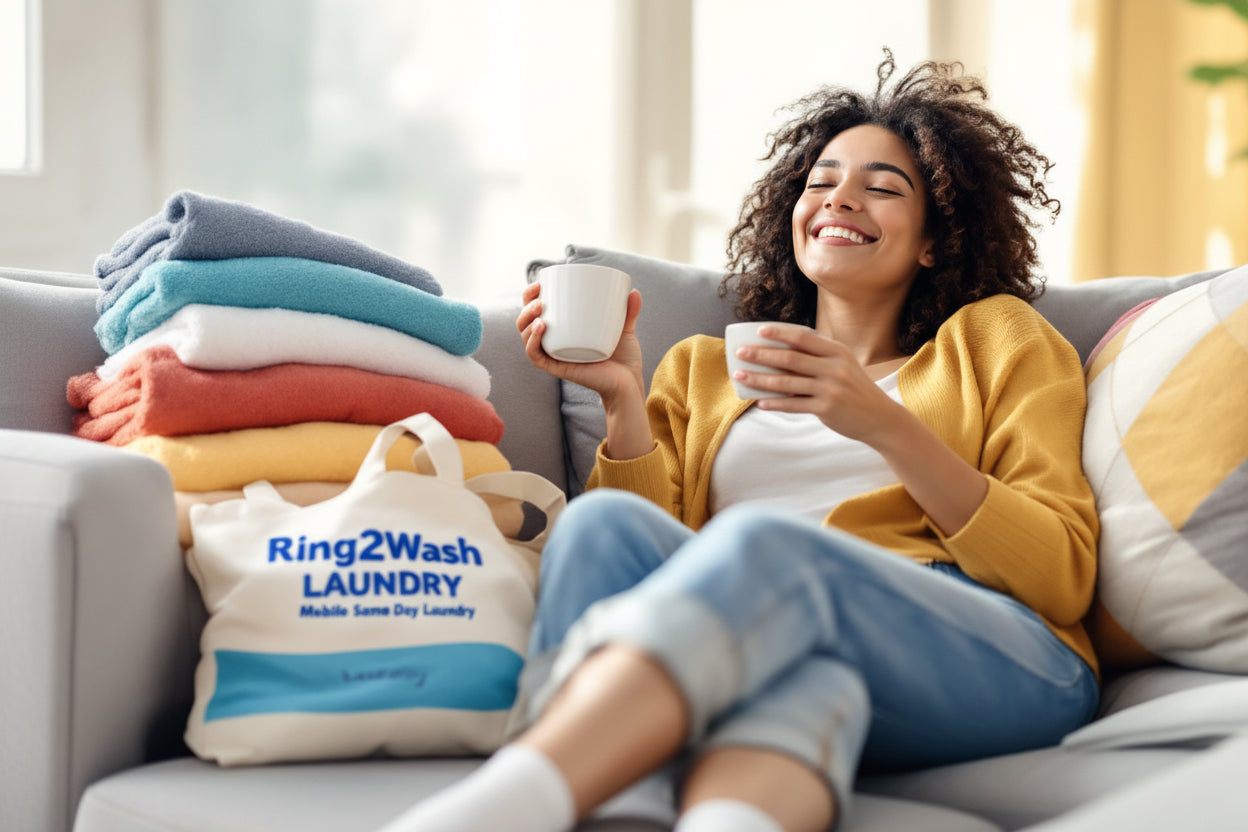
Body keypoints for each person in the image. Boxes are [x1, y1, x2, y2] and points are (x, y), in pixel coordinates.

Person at [380, 49, 1100, 832]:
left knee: (767, 544)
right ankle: (647, 802)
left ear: (935, 240)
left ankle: (509, 802)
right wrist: (623, 402)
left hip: (991, 651)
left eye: (882, 187)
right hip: (768, 642)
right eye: (820, 181)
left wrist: (881, 423)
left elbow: (1060, 575)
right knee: (600, 526)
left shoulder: (999, 341)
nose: (840, 197)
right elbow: (660, 564)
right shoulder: (703, 371)